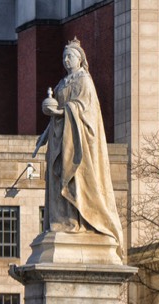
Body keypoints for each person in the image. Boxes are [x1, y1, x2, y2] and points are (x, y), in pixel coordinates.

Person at [34, 38, 124, 251]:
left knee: (75, 179)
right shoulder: (62, 83)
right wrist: (45, 134)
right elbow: (56, 112)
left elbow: (85, 110)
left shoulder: (84, 81)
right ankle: (62, 220)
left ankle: (78, 221)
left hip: (77, 139)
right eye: (64, 57)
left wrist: (62, 111)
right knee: (58, 180)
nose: (66, 60)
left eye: (70, 56)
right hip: (59, 138)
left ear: (80, 59)